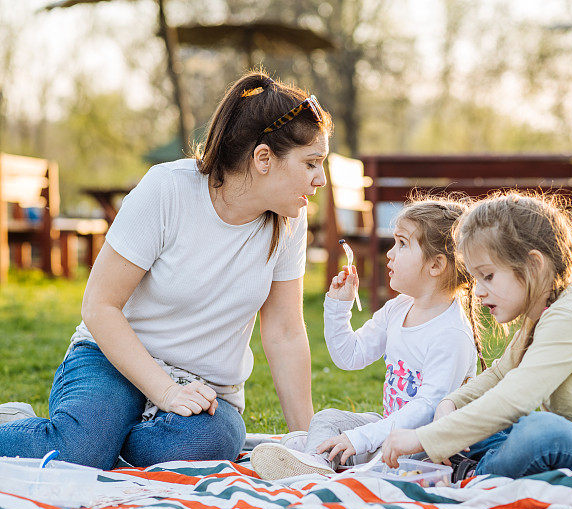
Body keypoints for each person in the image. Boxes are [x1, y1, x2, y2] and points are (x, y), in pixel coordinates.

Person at [0, 71, 333, 470]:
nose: (321, 179)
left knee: (210, 442)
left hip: (205, 386)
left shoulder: (288, 220)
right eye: (312, 163)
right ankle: (61, 430)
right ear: (263, 159)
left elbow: (284, 330)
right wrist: (164, 393)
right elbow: (99, 305)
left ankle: (102, 434)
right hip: (115, 361)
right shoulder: (167, 190)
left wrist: (305, 443)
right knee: (79, 451)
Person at [381, 191, 572, 501]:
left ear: (534, 266)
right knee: (485, 425)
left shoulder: (569, 317)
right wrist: (451, 404)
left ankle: (471, 476)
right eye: (476, 278)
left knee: (538, 431)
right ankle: (478, 463)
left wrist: (425, 439)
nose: (478, 291)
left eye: (489, 276)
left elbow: (514, 398)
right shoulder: (541, 314)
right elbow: (499, 375)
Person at [251, 197, 484, 479]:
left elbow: (426, 410)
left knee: (362, 444)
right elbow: (350, 356)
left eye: (402, 244)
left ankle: (314, 461)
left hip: (422, 447)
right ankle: (317, 460)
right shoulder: (399, 308)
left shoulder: (451, 335)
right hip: (387, 430)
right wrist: (339, 307)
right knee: (326, 419)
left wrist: (360, 438)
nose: (389, 254)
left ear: (436, 265)